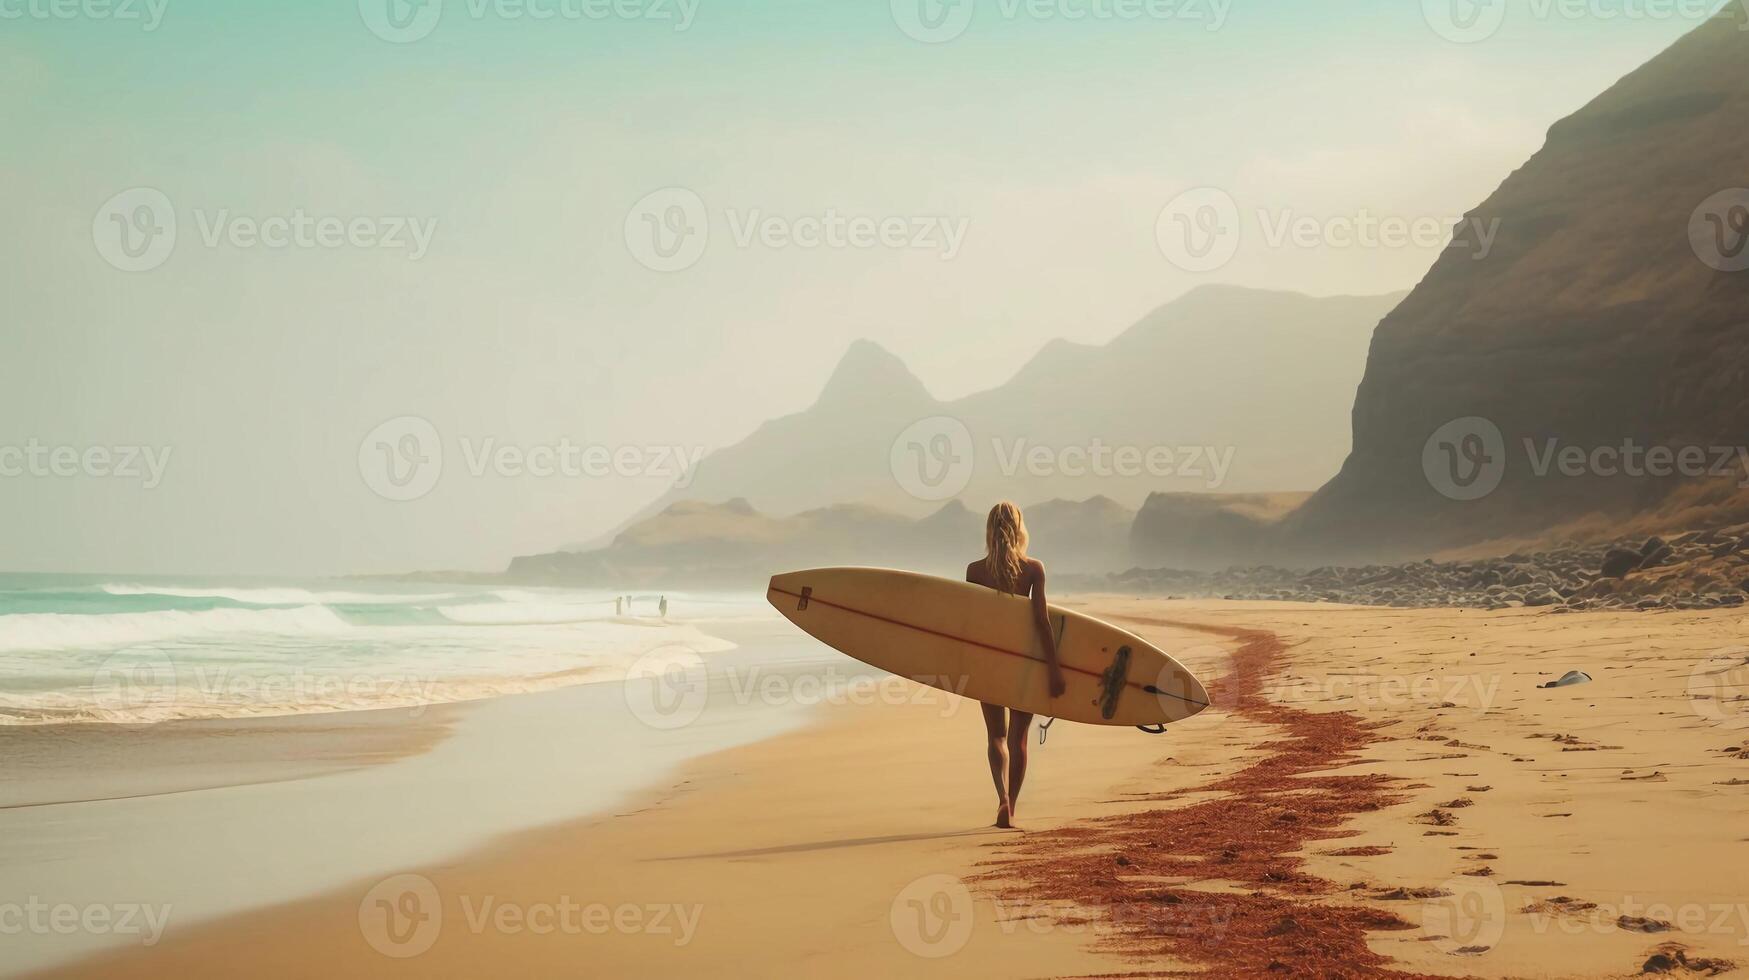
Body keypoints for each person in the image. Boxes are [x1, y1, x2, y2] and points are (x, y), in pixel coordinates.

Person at [966, 501, 1066, 829]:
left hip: (989, 663)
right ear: (1020, 528)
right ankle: (1013, 806)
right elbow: (1042, 623)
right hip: (1024, 664)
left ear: (989, 530)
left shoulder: (974, 571)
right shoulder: (1034, 569)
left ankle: (1001, 799)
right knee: (1018, 738)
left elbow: (970, 626)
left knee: (996, 736)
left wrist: (963, 668)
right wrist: (1053, 669)